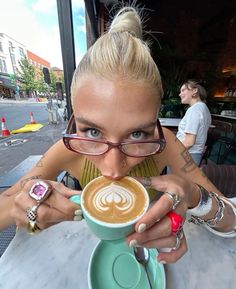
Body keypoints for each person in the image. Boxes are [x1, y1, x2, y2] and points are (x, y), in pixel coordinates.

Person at [0, 6, 235, 266]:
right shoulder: (70, 148)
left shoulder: (165, 143)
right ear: (73, 121)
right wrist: (17, 208)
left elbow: (232, 222)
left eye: (137, 133)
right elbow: (7, 202)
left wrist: (194, 197)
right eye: (92, 131)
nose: (113, 170)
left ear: (156, 123)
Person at [176, 80, 212, 166]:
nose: (180, 94)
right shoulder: (204, 108)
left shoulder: (194, 110)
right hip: (194, 155)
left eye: (183, 90)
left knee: (172, 179)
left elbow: (189, 142)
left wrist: (172, 152)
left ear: (194, 91)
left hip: (186, 155)